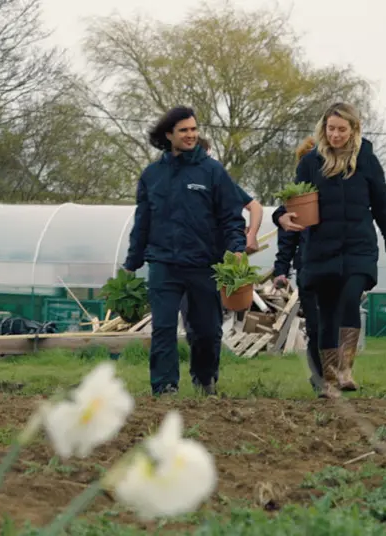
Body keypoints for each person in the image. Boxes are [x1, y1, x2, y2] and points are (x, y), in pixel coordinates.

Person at [274, 103, 386, 398]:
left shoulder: (367, 160)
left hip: (359, 247)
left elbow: (382, 204)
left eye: (341, 130)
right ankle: (330, 380)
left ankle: (345, 368)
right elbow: (293, 200)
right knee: (327, 314)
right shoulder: (310, 163)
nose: (335, 135)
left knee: (349, 297)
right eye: (330, 129)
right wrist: (280, 216)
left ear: (354, 129)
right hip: (321, 250)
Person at [123, 106, 247, 396]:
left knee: (207, 330)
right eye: (184, 131)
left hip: (203, 264)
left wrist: (237, 248)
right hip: (163, 263)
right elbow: (142, 222)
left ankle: (205, 379)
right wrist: (131, 263)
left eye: (194, 129)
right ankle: (164, 386)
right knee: (163, 327)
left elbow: (231, 215)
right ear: (169, 135)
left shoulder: (212, 172)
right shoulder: (152, 175)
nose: (191, 135)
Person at [178, 136, 262, 387]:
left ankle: (207, 378)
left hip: (213, 264)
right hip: (182, 263)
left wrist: (250, 236)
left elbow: (254, 206)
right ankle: (198, 378)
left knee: (210, 326)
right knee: (192, 325)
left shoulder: (218, 181)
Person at [272, 135, 325, 394]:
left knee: (333, 323)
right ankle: (321, 378)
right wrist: (281, 270)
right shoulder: (296, 199)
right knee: (315, 324)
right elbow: (288, 237)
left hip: (335, 265)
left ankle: (333, 373)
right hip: (307, 266)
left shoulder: (336, 194)